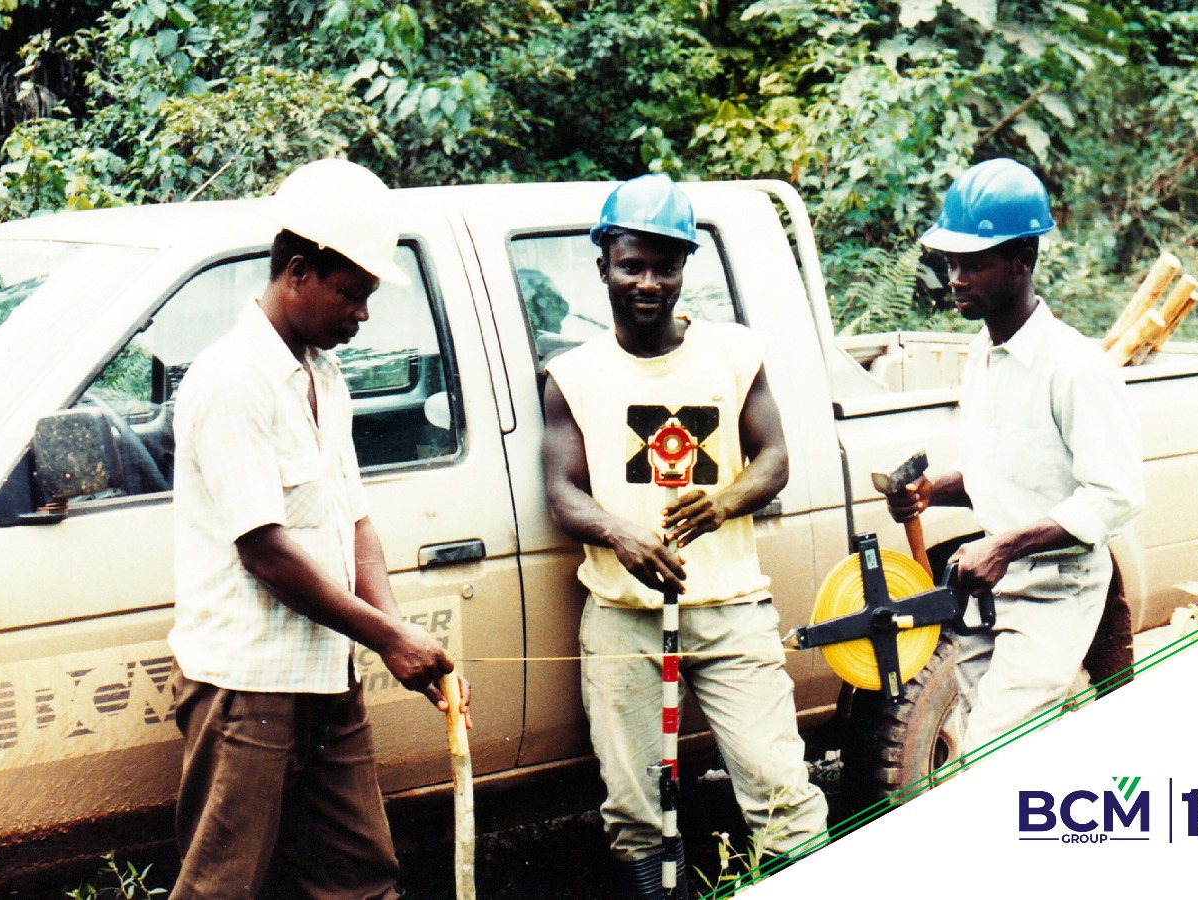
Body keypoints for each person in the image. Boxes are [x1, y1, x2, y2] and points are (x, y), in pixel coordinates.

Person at [167, 158, 468, 900]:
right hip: (248, 686)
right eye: (352, 294)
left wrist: (400, 633)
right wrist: (388, 638)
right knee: (223, 888)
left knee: (360, 877)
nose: (362, 316)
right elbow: (265, 551)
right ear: (299, 272)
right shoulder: (232, 379)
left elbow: (353, 521)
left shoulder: (324, 376)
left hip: (328, 678)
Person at [541, 174, 829, 898]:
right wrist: (620, 534)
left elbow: (775, 459)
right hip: (623, 615)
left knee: (780, 791)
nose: (648, 283)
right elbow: (561, 491)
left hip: (731, 608)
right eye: (631, 265)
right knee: (635, 809)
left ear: (684, 268)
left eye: (664, 267)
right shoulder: (573, 374)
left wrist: (723, 503)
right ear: (602, 265)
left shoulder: (734, 354)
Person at [888, 157, 1145, 759]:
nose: (956, 278)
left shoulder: (1074, 369)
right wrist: (933, 491)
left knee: (993, 746)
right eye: (951, 262)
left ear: (1022, 260)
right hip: (991, 587)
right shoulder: (982, 355)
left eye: (974, 264)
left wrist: (1004, 546)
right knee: (1000, 742)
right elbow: (1003, 473)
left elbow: (1116, 496)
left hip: (1057, 585)